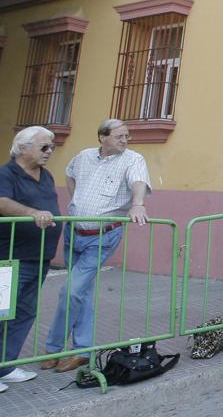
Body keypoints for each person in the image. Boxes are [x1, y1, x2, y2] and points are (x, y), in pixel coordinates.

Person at [41, 119, 151, 373]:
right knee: (81, 292)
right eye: (120, 136)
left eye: (127, 136)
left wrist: (138, 203)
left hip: (103, 236)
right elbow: (69, 176)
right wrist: (80, 203)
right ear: (102, 137)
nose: (125, 140)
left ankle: (53, 348)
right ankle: (83, 349)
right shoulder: (84, 156)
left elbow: (138, 183)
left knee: (69, 290)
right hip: (73, 232)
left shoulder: (133, 159)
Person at [0, 127, 63, 391]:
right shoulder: (7, 173)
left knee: (24, 312)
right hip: (11, 257)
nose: (49, 152)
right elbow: (1, 202)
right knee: (2, 312)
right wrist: (32, 212)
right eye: (44, 147)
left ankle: (6, 366)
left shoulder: (45, 175)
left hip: (39, 258)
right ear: (23, 148)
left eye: (52, 147)